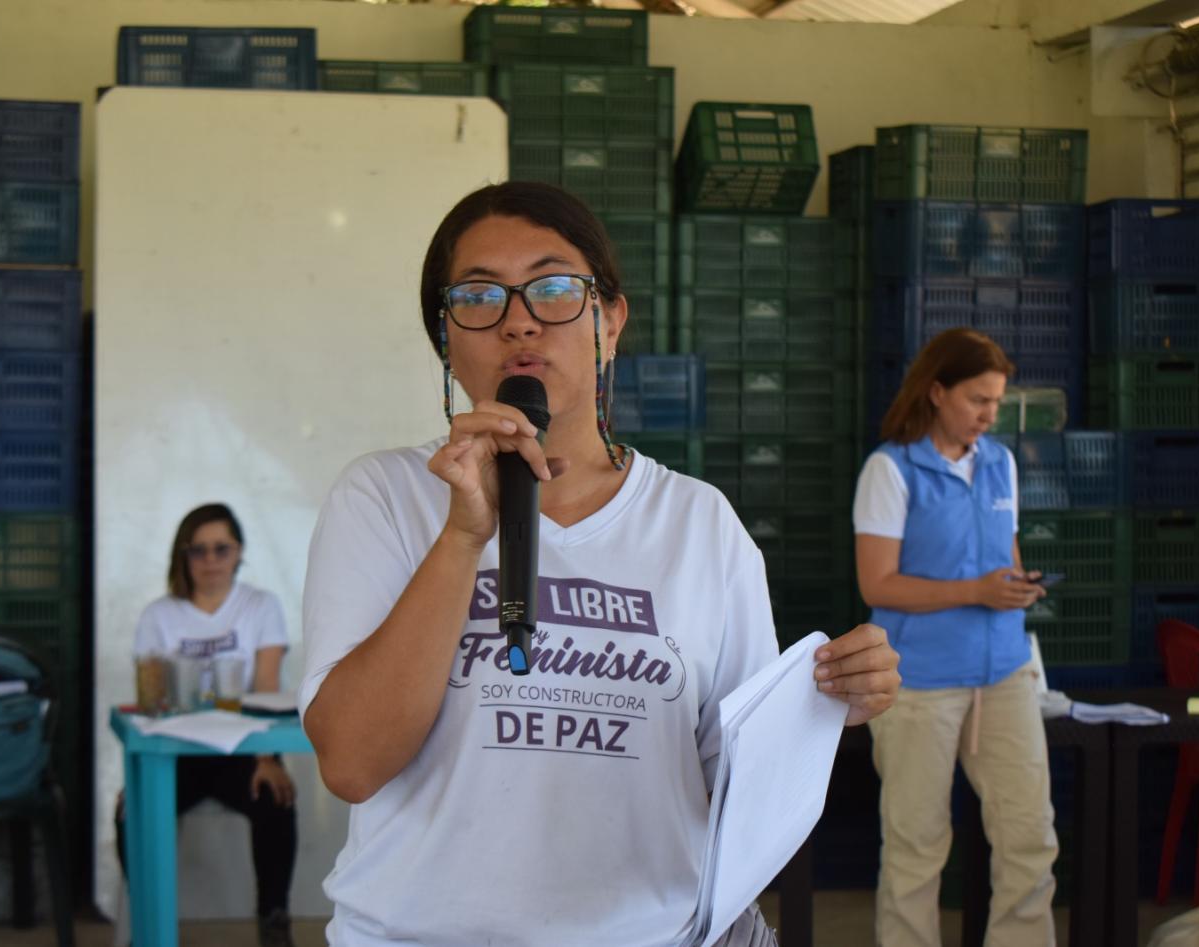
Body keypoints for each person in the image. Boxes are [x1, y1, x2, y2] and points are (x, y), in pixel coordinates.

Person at [298, 180, 902, 947]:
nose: (519, 319)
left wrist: (822, 708)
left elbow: (734, 781)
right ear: (446, 338)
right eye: (479, 296)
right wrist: (462, 537)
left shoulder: (699, 524)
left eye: (554, 288)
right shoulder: (384, 497)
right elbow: (352, 762)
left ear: (609, 322)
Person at [853, 329, 1058, 946]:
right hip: (919, 685)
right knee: (916, 846)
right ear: (937, 391)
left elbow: (1005, 555)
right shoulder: (889, 469)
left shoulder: (1001, 463)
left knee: (1030, 837)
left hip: (1006, 674)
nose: (989, 415)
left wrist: (1017, 586)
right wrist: (976, 591)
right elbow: (877, 583)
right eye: (978, 399)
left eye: (996, 401)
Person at [116, 503, 298, 947]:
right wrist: (136, 778)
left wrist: (268, 759)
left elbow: (268, 689)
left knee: (276, 801)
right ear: (183, 555)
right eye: (199, 550)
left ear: (239, 552)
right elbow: (151, 702)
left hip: (241, 750)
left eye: (222, 548)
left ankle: (274, 924)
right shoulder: (159, 615)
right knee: (130, 812)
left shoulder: (260, 606)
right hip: (176, 754)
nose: (211, 559)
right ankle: (148, 923)